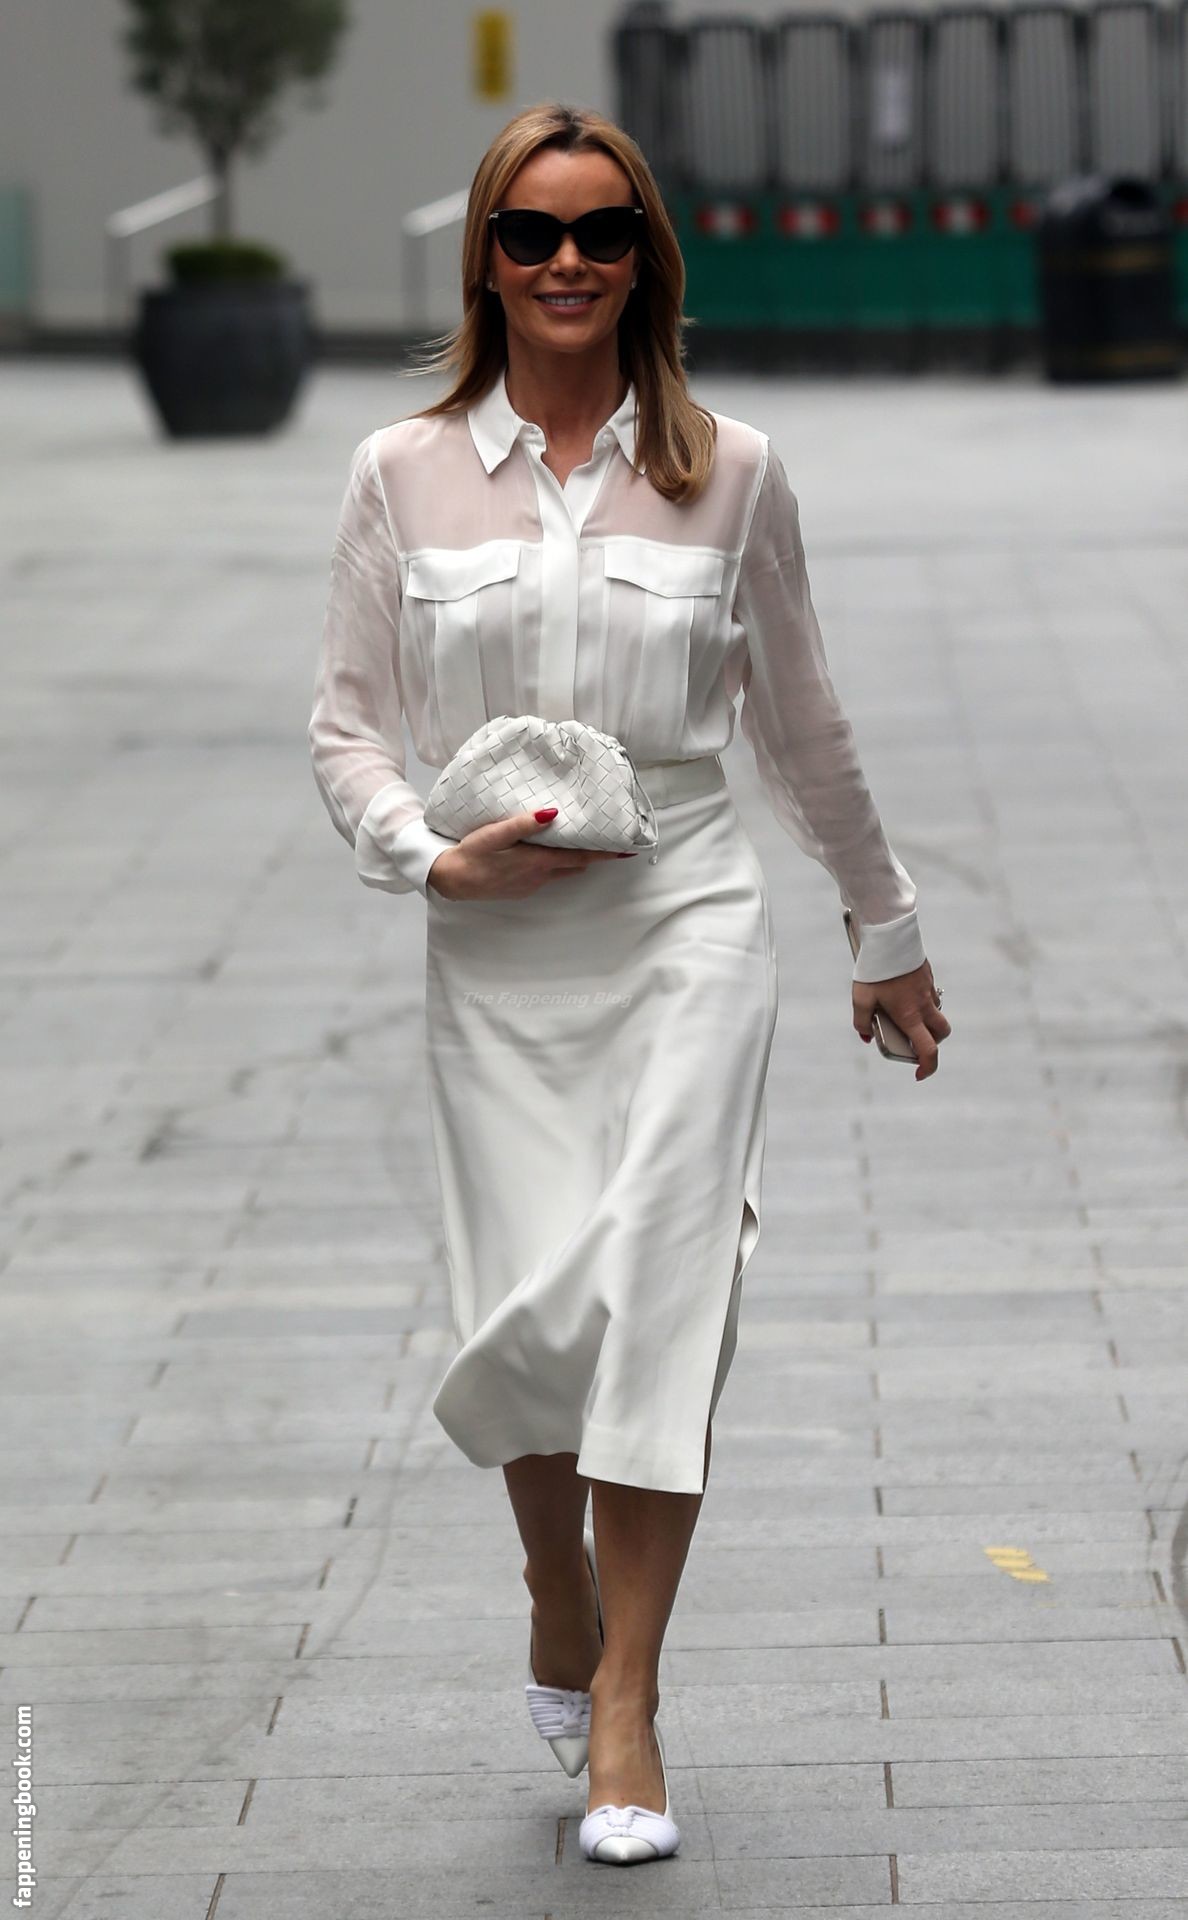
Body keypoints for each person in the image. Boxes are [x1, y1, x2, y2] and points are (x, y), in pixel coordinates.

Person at [308, 100, 951, 1866]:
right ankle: (553, 1578)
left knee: (661, 1285)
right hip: (497, 934)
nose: (568, 260)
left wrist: (883, 926)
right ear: (486, 262)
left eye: (602, 231)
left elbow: (801, 726)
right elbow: (348, 725)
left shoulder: (731, 469)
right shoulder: (399, 471)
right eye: (532, 233)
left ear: (647, 260)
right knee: (532, 1301)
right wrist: (428, 855)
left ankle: (628, 1706)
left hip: (687, 909)